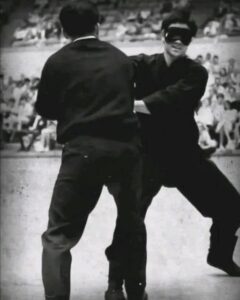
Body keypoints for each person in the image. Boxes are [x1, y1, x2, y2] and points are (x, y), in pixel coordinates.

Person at [105, 10, 240, 299]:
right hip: (147, 155)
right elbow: (111, 70)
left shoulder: (196, 72)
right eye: (172, 34)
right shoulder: (140, 64)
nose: (178, 41)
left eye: (185, 36)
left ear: (191, 40)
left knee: (232, 206)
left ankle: (219, 255)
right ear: (162, 35)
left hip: (183, 155)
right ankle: (115, 282)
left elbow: (173, 99)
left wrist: (129, 104)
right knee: (130, 219)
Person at [35, 2, 147, 300]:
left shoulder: (57, 61)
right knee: (131, 223)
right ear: (98, 25)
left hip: (82, 150)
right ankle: (131, 292)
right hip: (125, 150)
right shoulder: (121, 59)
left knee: (58, 236)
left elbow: (45, 108)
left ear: (62, 30)